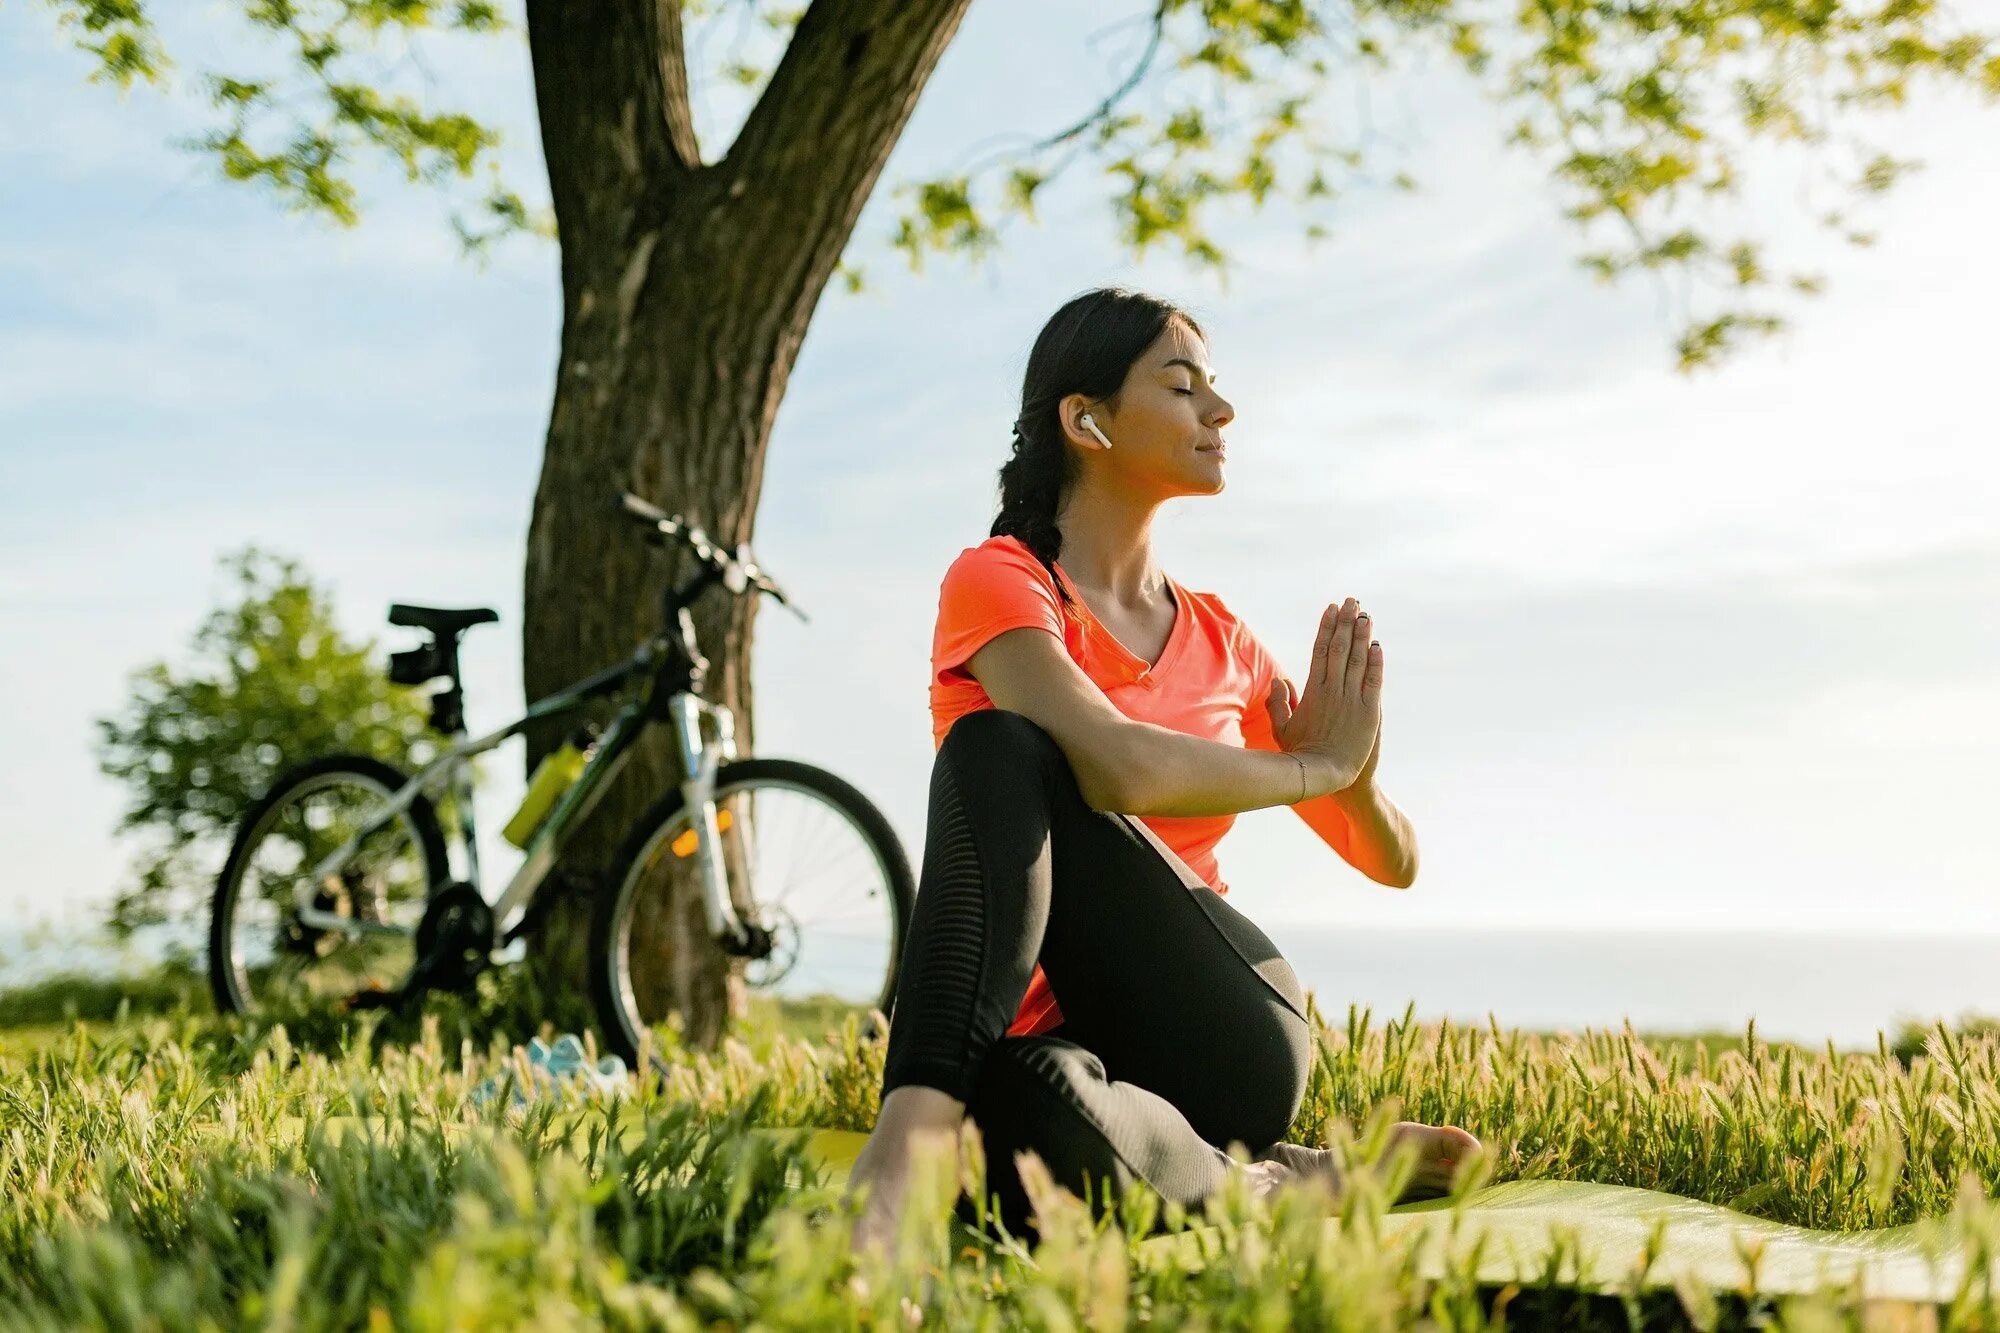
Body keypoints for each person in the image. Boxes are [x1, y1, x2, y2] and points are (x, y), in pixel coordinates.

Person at [843, 286, 1482, 1254]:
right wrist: (1313, 762)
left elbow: (1391, 861)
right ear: (1084, 420)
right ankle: (1277, 1183)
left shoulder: (1224, 641)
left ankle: (902, 1151)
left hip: (1215, 1031)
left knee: (996, 742)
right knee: (1021, 1111)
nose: (1218, 413)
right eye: (1182, 388)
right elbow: (1118, 765)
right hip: (1048, 1052)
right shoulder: (1003, 581)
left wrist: (1343, 773)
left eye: (1212, 390)